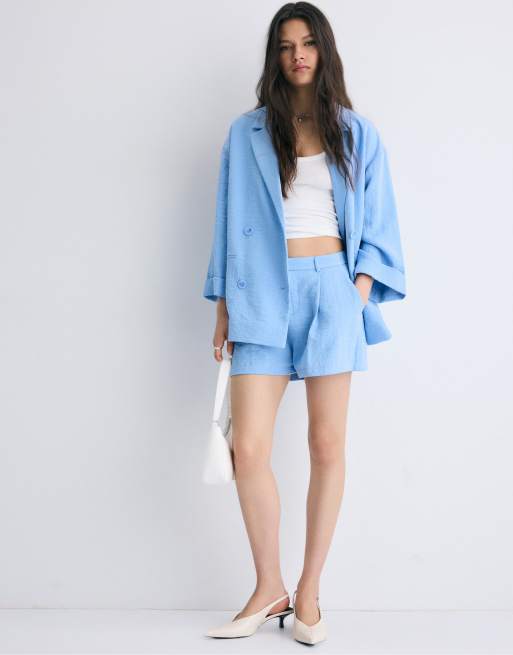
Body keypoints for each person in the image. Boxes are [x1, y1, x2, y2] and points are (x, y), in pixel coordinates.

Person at [203, 2, 406, 645]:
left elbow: (380, 225)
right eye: (287, 45)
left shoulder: (357, 132)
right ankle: (270, 587)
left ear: (324, 50)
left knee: (326, 445)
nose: (298, 55)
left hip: (331, 290)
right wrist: (223, 304)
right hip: (260, 289)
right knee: (248, 447)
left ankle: (310, 590)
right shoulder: (246, 133)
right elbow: (226, 219)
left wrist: (356, 293)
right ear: (275, 55)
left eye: (308, 43)